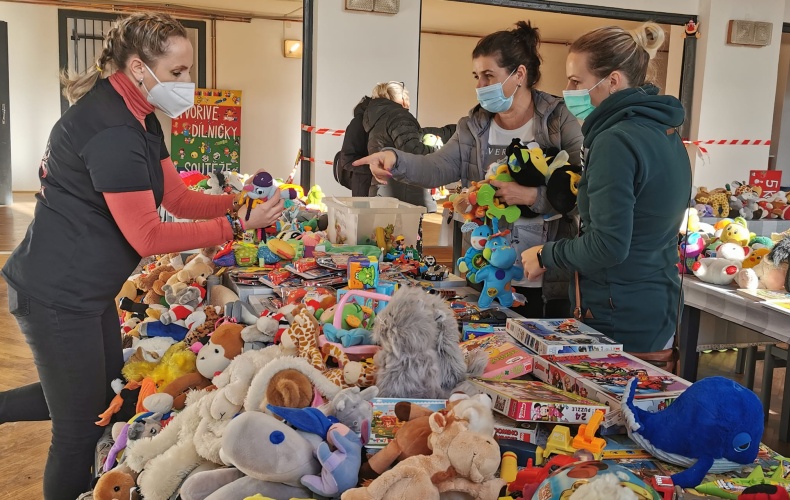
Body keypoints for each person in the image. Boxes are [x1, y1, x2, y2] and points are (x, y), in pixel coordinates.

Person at [0, 13, 283, 499]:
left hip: (86, 291)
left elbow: (174, 197)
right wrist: (236, 226)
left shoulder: (140, 114)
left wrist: (234, 203)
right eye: (176, 73)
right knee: (78, 430)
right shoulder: (111, 129)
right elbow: (148, 236)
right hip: (56, 295)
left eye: (188, 71)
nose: (187, 83)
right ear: (137, 68)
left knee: (107, 392)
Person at [354, 22, 583, 317]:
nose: (479, 86)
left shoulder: (558, 120)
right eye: (477, 76)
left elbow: (581, 189)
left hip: (546, 280)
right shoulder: (474, 126)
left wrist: (530, 196)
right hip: (485, 276)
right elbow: (437, 167)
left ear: (519, 75)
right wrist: (394, 159)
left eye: (489, 76)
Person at [519, 23, 693, 353]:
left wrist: (546, 254)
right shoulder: (663, 132)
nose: (567, 89)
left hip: (619, 311)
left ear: (612, 81)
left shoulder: (615, 141)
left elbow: (608, 246)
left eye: (576, 81)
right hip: (656, 304)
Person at [347, 81, 455, 212]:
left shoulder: (377, 117)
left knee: (385, 231)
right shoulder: (399, 116)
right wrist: (439, 150)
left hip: (382, 190)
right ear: (403, 98)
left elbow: (407, 138)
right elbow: (413, 151)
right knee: (407, 232)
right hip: (403, 195)